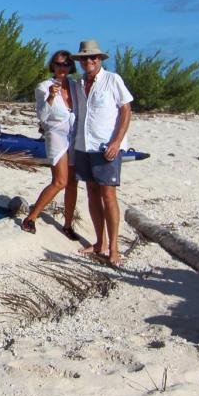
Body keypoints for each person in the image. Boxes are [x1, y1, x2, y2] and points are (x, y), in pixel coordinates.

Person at [70, 39, 133, 266]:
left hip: (106, 147)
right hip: (83, 145)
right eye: (84, 58)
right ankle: (99, 243)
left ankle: (114, 248)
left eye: (93, 57)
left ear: (100, 59)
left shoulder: (112, 80)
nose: (89, 61)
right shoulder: (77, 84)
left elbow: (126, 110)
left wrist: (117, 142)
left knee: (108, 195)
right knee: (92, 192)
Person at [21, 50, 80, 240]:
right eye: (58, 64)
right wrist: (51, 97)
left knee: (73, 182)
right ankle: (31, 217)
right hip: (56, 135)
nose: (61, 68)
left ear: (71, 66)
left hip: (75, 135)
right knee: (60, 181)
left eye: (65, 64)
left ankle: (68, 225)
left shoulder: (75, 86)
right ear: (52, 65)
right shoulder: (44, 87)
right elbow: (42, 116)